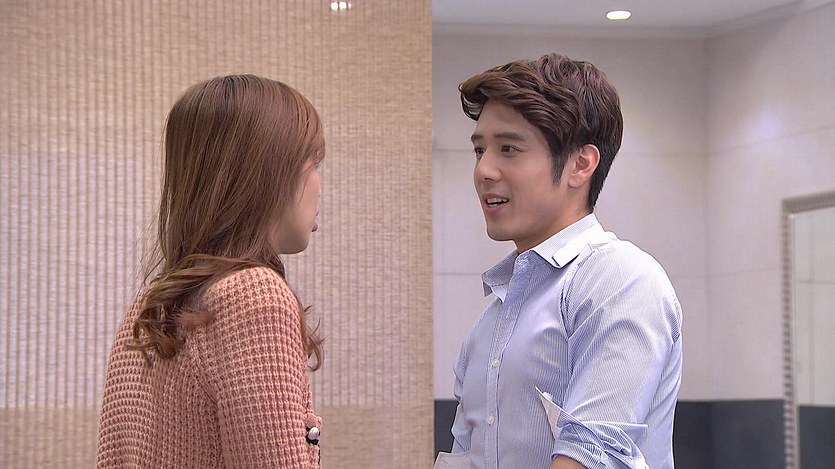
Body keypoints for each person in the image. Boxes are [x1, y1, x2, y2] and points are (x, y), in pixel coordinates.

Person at [437, 54, 683, 469]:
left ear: (580, 165)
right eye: (479, 150)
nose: (483, 170)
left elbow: (591, 455)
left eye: (509, 149)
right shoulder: (492, 320)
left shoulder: (620, 280)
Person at [97, 75, 326, 468]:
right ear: (268, 173)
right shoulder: (255, 296)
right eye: (314, 164)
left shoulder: (148, 307)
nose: (320, 186)